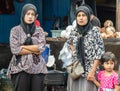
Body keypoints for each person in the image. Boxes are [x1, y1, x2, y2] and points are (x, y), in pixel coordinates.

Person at [7, 3, 48, 91]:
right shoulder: (15, 30)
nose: (30, 16)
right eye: (27, 14)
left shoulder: (39, 30)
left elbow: (41, 48)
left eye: (32, 14)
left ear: (35, 16)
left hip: (38, 69)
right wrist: (34, 49)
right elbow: (15, 50)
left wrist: (23, 46)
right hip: (20, 68)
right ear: (23, 14)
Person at [66, 5, 105, 91]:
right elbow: (69, 43)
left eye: (83, 15)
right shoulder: (74, 31)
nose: (81, 18)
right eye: (79, 15)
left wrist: (92, 71)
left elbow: (99, 53)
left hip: (90, 71)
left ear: (88, 17)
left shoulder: (94, 32)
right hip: (76, 71)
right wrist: (74, 53)